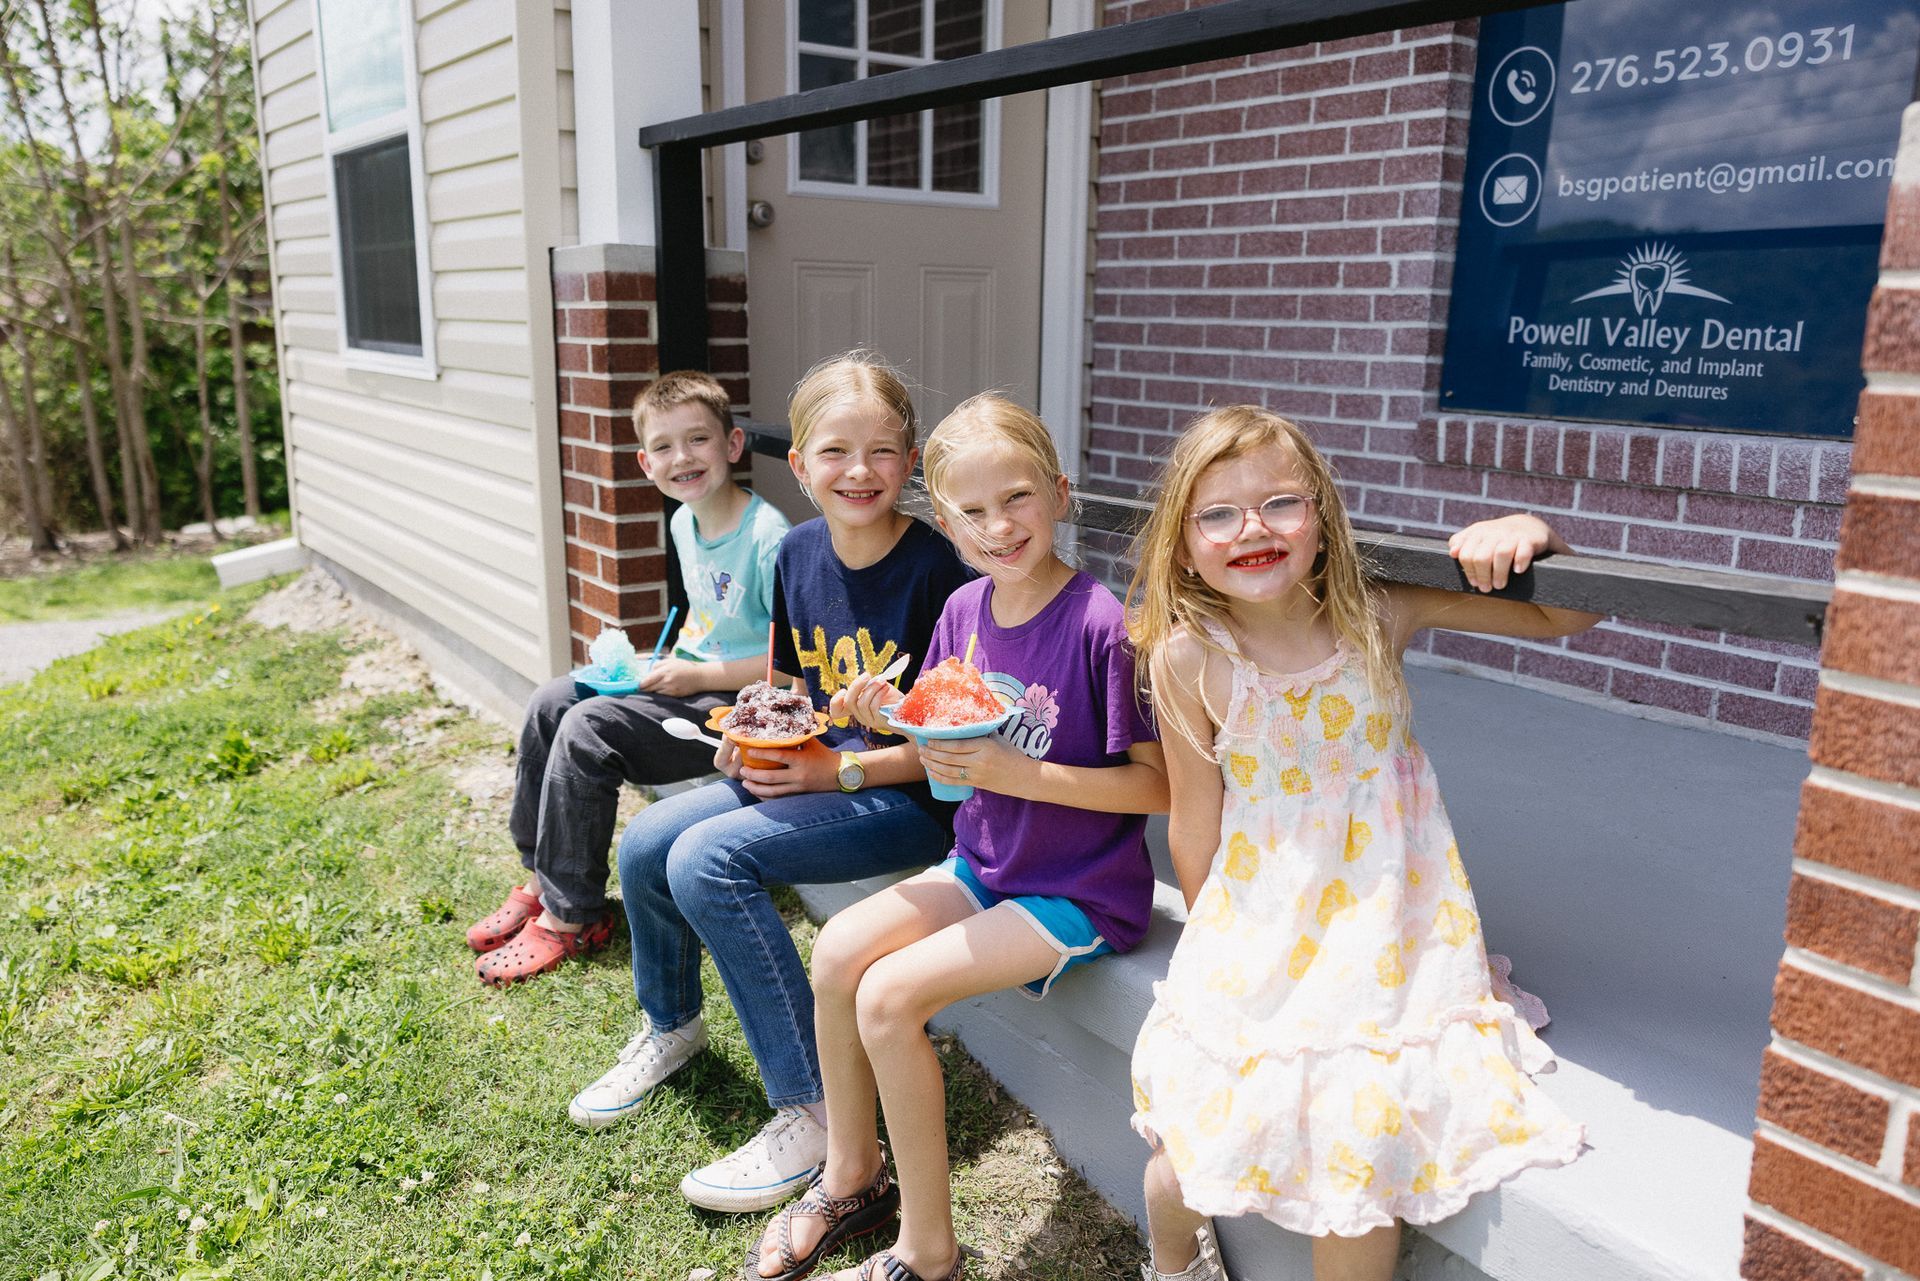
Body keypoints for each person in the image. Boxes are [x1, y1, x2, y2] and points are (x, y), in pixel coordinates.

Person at [1126, 406, 1598, 1281]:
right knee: (1190, 1142)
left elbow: (1566, 618)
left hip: (1388, 914)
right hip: (1262, 920)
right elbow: (1193, 817)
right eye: (1218, 513)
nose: (1253, 529)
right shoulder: (1189, 657)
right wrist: (1213, 946)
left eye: (1280, 504)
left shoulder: (1377, 613)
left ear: (1323, 521)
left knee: (1361, 1123)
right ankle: (1172, 1259)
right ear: (1184, 547)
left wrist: (1532, 532)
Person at [744, 395, 1169, 1281]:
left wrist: (1019, 773)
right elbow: (945, 750)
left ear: (1059, 492)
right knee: (836, 956)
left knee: (890, 997)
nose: (997, 525)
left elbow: (1157, 786)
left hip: (1077, 888)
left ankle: (927, 1250)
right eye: (970, 512)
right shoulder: (965, 610)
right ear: (945, 520)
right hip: (983, 862)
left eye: (1015, 498)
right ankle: (852, 1177)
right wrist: (884, 714)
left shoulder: (1103, 625)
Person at [570, 353, 976, 1213]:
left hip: (907, 796)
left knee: (706, 860)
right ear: (799, 464)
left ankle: (821, 1108)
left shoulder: (940, 575)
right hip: (820, 772)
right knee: (646, 842)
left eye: (881, 451)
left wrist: (838, 764)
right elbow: (792, 692)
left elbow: (952, 751)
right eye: (834, 451)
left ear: (910, 461)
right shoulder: (795, 553)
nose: (858, 472)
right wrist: (747, 735)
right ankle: (671, 1025)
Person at [468, 370, 789, 986]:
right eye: (664, 447)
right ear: (646, 462)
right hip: (695, 672)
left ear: (732, 445)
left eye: (698, 440)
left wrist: (698, 676)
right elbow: (712, 614)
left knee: (589, 728)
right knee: (551, 701)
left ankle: (572, 917)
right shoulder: (684, 523)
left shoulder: (769, 536)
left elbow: (788, 665)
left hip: (736, 703)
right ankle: (545, 876)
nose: (682, 458)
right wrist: (658, 661)